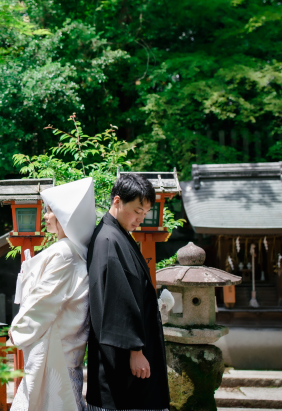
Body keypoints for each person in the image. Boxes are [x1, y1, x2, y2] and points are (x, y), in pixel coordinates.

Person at [10, 177, 96, 411]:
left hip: (53, 350)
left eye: (50, 211)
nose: (46, 216)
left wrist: (17, 330)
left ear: (64, 216)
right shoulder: (76, 251)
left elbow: (43, 301)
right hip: (66, 348)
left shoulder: (64, 253)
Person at [86, 173, 171, 411]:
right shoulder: (108, 240)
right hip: (123, 355)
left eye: (144, 214)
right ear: (117, 201)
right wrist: (135, 350)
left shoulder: (117, 234)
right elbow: (116, 301)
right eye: (137, 211)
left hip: (131, 350)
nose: (140, 219)